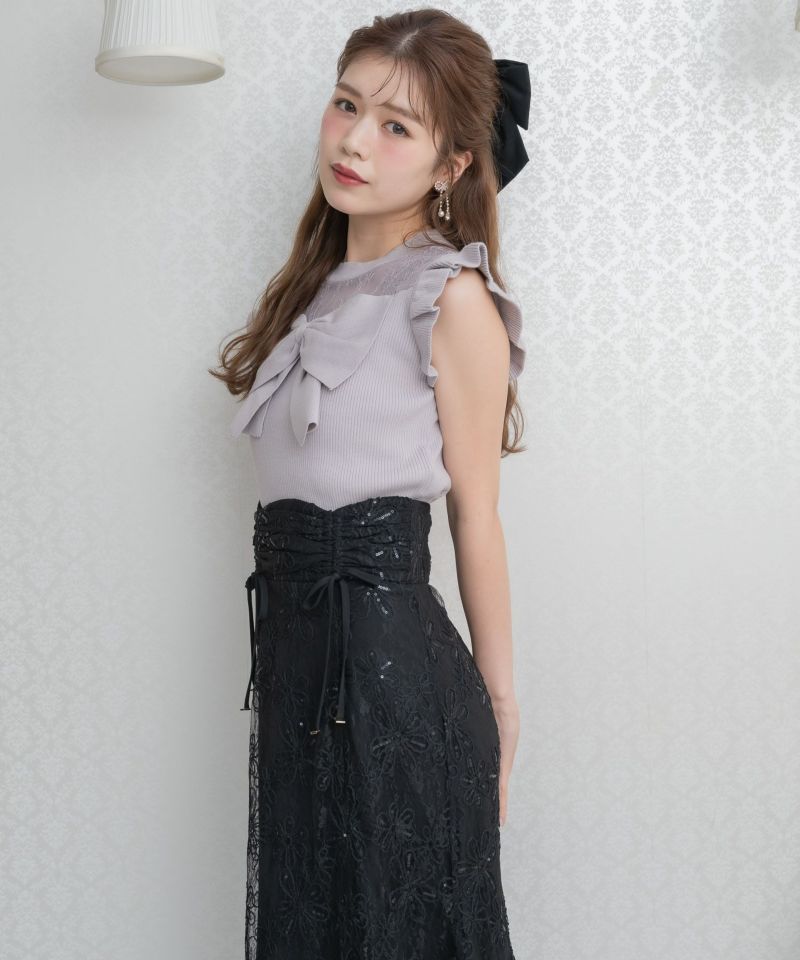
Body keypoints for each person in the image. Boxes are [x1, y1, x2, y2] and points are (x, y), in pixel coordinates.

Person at [211, 8, 531, 958]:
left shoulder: (452, 295)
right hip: (299, 677)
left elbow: (477, 516)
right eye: (347, 105)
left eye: (396, 125)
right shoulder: (308, 292)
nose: (354, 141)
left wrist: (503, 709)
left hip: (400, 688)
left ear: (451, 165)